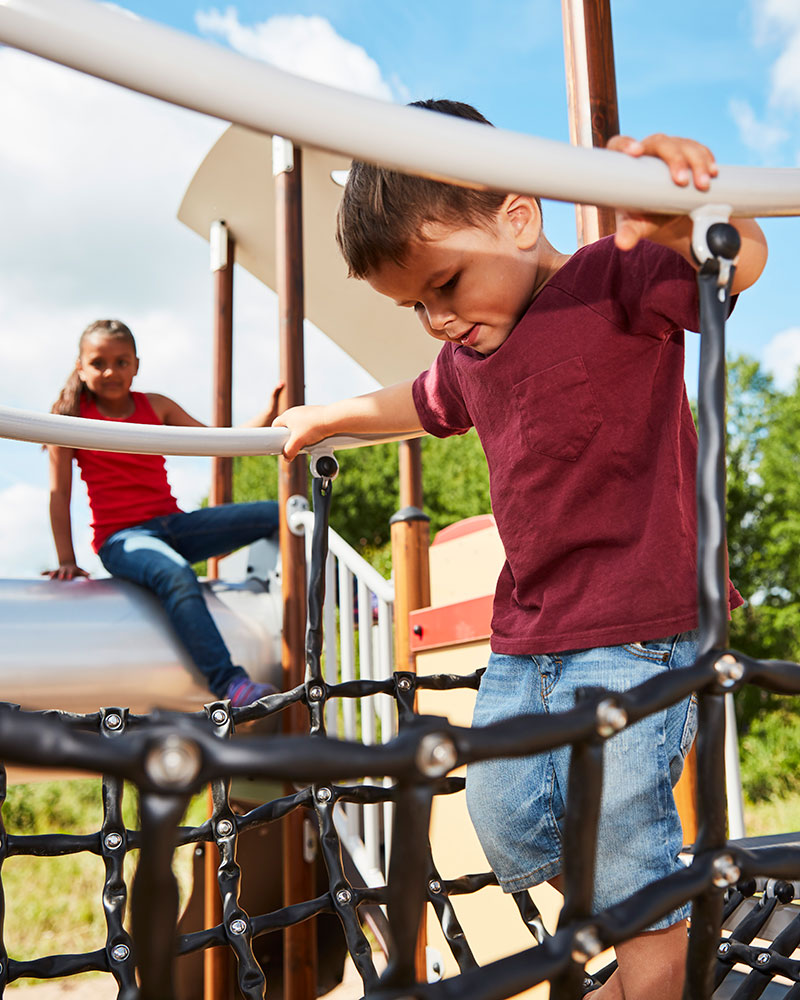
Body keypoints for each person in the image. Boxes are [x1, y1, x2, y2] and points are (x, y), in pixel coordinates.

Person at [273, 100, 768, 998]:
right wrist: (324, 416)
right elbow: (412, 403)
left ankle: (652, 954)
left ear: (517, 217)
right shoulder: (472, 358)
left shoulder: (610, 284)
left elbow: (739, 267)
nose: (436, 318)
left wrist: (681, 214)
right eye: (415, 303)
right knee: (503, 814)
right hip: (527, 637)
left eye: (446, 285)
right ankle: (629, 931)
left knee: (623, 831)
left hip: (641, 625)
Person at [47, 318, 283, 708]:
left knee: (279, 513)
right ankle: (230, 684)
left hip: (176, 526)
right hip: (123, 539)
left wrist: (268, 415)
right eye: (99, 362)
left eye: (121, 362)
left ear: (136, 365)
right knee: (175, 573)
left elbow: (219, 443)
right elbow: (59, 496)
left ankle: (340, 601)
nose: (110, 371)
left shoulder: (155, 406)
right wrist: (67, 561)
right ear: (80, 367)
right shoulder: (70, 419)